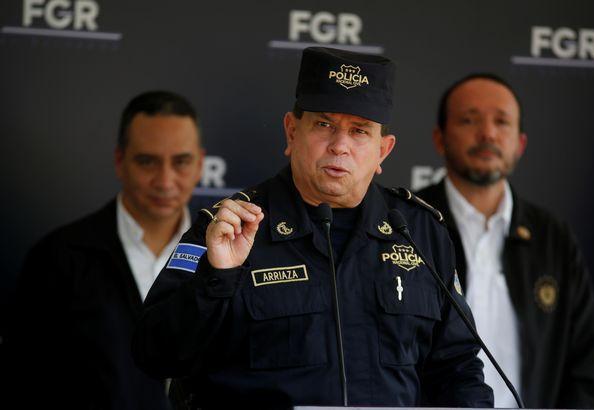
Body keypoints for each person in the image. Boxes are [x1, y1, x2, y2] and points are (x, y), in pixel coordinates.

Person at [132, 47, 493, 409]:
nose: (340, 146)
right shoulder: (229, 227)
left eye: (359, 131)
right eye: (324, 125)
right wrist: (217, 277)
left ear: (383, 151)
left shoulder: (420, 232)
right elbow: (155, 355)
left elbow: (458, 369)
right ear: (291, 132)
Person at [417, 73, 594, 408]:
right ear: (439, 139)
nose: (488, 133)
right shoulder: (408, 225)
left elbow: (583, 362)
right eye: (469, 120)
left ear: (520, 144)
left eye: (502, 122)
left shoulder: (553, 237)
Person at [11, 91, 204, 409]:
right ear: (119, 161)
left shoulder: (225, 258)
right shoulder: (57, 258)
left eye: (181, 162)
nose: (165, 181)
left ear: (200, 164)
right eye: (147, 161)